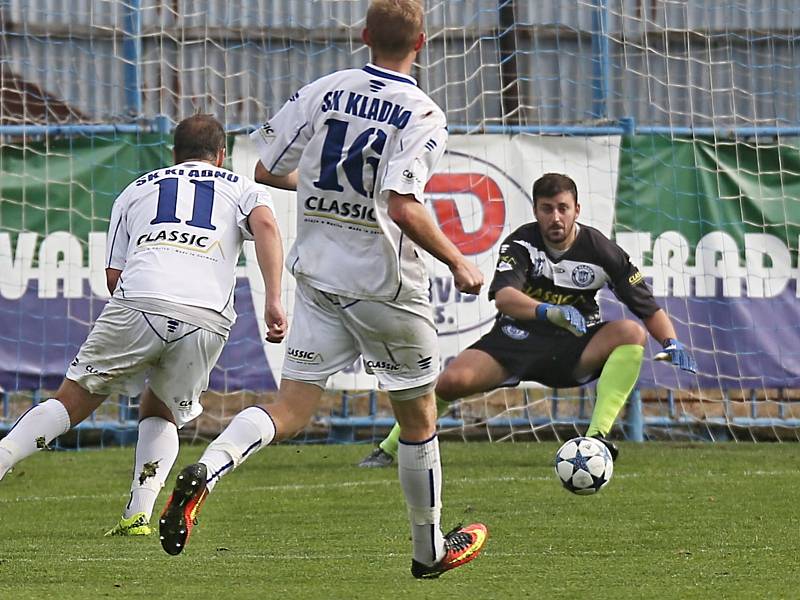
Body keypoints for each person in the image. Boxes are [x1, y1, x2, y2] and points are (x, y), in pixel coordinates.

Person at [158, 0, 488, 580]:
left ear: (363, 36)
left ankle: (206, 469)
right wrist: (460, 261)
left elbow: (263, 170)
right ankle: (427, 549)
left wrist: (316, 188)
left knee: (290, 408)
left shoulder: (324, 89)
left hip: (317, 275)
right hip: (385, 287)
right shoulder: (423, 114)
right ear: (423, 43)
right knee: (418, 419)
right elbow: (404, 207)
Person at [0, 114, 287, 538]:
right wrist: (275, 300)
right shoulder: (243, 187)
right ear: (222, 155)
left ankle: (4, 456)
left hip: (139, 301)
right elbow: (265, 225)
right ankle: (138, 513)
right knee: (162, 409)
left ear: (174, 153)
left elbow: (114, 274)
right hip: (205, 317)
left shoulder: (136, 188)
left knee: (74, 400)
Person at [359, 172, 697, 468]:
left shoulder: (601, 250)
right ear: (536, 211)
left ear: (576, 210)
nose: (556, 218)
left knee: (629, 332)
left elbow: (646, 305)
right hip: (515, 341)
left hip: (572, 348)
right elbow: (504, 296)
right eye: (547, 209)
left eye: (563, 208)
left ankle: (595, 441)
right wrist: (546, 311)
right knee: (450, 382)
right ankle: (389, 449)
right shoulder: (522, 243)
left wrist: (670, 341)